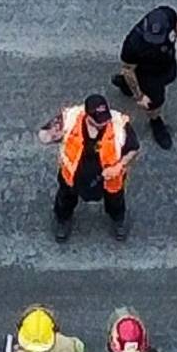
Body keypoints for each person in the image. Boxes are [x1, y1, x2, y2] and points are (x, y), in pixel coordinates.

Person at [38, 93, 140, 243]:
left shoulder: (119, 124)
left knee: (116, 201)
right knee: (65, 199)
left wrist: (119, 166)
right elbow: (43, 136)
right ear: (87, 115)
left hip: (109, 178)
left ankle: (118, 220)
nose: (103, 123)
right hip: (72, 175)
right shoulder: (70, 119)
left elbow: (134, 149)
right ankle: (63, 220)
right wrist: (53, 133)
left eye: (105, 119)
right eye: (98, 121)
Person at [114, 5, 177, 151]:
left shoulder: (167, 14)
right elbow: (128, 70)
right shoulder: (133, 44)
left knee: (170, 76)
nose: (154, 42)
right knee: (155, 102)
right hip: (148, 74)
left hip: (167, 64)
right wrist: (140, 96)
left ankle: (124, 84)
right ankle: (155, 121)